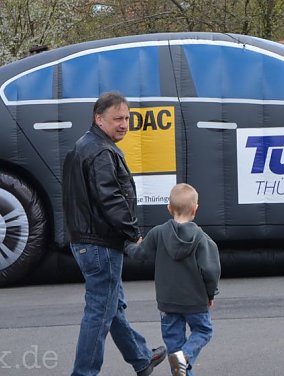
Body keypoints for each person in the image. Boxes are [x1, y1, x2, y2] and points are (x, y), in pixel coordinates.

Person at [62, 91, 167, 376]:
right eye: (117, 118)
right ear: (99, 118)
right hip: (100, 244)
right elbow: (111, 200)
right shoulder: (101, 152)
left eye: (127, 118)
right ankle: (83, 373)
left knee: (111, 305)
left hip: (85, 241)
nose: (124, 123)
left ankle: (141, 358)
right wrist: (134, 234)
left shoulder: (85, 145)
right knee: (99, 311)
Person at [127, 183, 221, 376]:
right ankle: (185, 355)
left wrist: (128, 245)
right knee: (203, 331)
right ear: (195, 209)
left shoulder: (157, 233)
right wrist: (210, 294)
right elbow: (211, 270)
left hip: (168, 303)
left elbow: (139, 254)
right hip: (195, 301)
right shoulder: (202, 239)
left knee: (174, 344)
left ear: (169, 208)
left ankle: (180, 360)